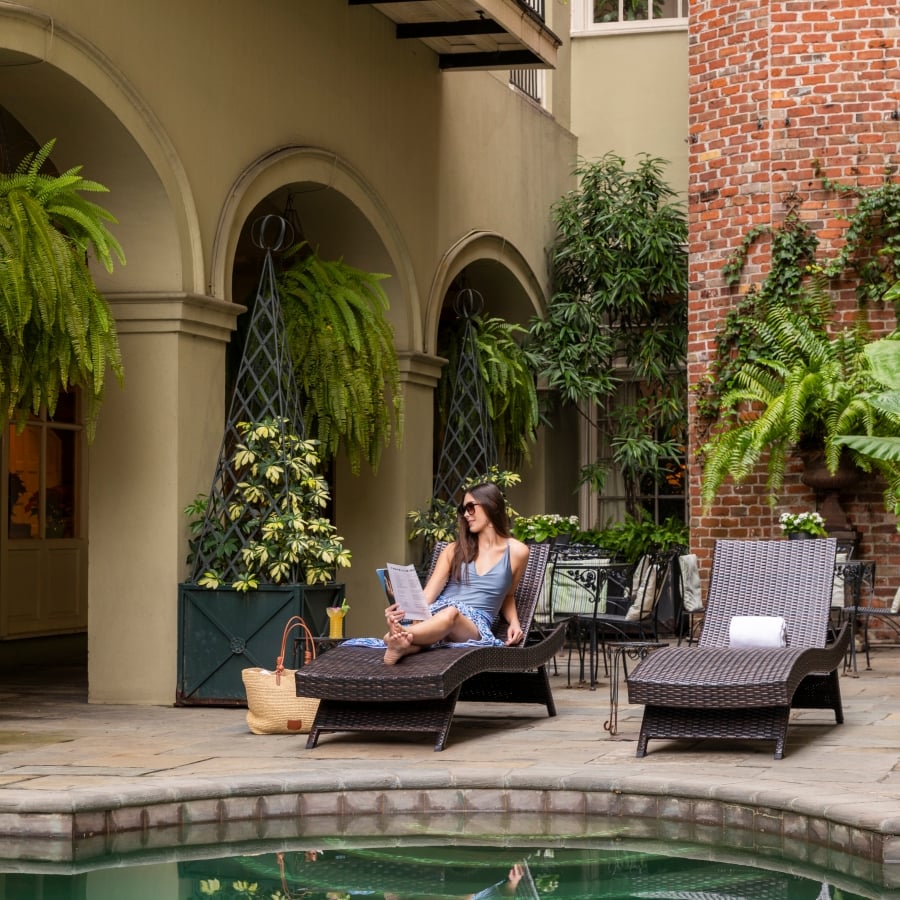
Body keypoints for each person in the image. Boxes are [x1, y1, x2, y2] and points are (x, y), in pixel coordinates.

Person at [383, 482, 530, 665]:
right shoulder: (453, 550)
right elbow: (427, 597)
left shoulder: (517, 552)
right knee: (437, 615)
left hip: (472, 624)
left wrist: (514, 622)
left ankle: (394, 637)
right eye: (463, 510)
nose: (467, 514)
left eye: (471, 507)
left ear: (491, 505)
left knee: (450, 614)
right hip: (437, 616)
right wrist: (404, 614)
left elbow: (507, 595)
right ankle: (402, 643)